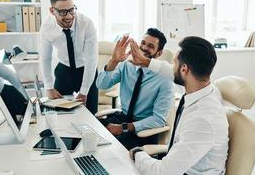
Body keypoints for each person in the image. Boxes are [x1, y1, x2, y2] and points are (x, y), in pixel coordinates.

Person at [129, 36, 229, 175]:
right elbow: (171, 71)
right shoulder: (206, 89)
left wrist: (137, 153)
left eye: (174, 62)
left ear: (184, 69)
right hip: (180, 166)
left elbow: (163, 172)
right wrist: (146, 62)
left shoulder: (203, 119)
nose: (172, 66)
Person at [96, 28, 174, 150]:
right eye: (143, 43)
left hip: (143, 129)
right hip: (122, 118)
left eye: (150, 46)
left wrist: (124, 128)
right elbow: (101, 85)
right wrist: (114, 60)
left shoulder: (165, 79)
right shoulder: (127, 64)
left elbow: (159, 120)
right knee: (91, 130)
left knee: (108, 147)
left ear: (159, 53)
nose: (144, 47)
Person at [39, 0, 98, 114]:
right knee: (59, 112)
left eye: (71, 10)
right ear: (52, 11)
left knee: (91, 115)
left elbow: (91, 60)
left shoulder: (86, 24)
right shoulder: (46, 27)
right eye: (63, 12)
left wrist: (84, 91)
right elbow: (45, 58)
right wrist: (48, 87)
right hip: (64, 70)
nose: (69, 16)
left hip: (86, 69)